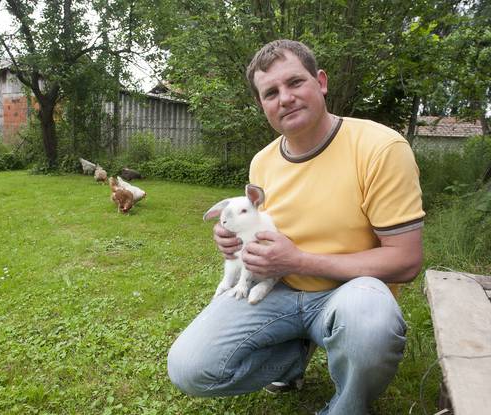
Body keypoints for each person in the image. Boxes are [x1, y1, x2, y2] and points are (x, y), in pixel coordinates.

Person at [167, 39, 425, 415]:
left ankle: (348, 407)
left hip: (350, 294)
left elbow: (405, 261)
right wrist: (235, 241)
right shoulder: (263, 162)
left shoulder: (380, 147)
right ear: (262, 106)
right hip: (279, 292)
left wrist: (299, 261)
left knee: (371, 326)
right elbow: (260, 229)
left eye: (295, 83)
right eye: (271, 92)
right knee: (191, 368)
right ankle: (293, 357)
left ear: (320, 82)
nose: (284, 98)